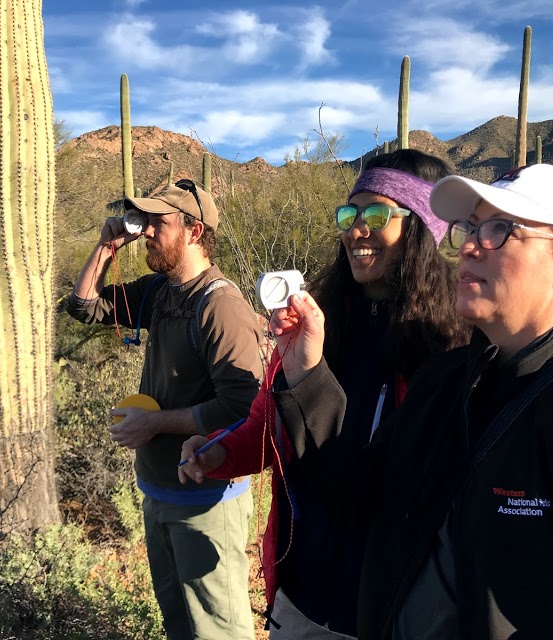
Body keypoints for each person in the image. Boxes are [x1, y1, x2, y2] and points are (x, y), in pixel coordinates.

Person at [264, 163, 553, 639]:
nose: (467, 245)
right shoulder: (444, 383)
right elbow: (358, 491)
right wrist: (306, 371)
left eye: (500, 229)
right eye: (469, 227)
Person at [178, 149, 469, 638]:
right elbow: (268, 426)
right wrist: (218, 452)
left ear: (421, 228)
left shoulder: (449, 345)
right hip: (301, 593)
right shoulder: (316, 322)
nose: (357, 230)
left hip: (391, 606)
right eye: (349, 215)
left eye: (377, 215)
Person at [66, 179, 263, 640]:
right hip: (159, 493)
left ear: (194, 231)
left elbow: (243, 408)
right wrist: (106, 247)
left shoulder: (220, 306)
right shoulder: (160, 291)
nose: (148, 232)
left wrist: (155, 423)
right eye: (146, 221)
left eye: (159, 222)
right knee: (180, 627)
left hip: (207, 504)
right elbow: (84, 306)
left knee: (217, 632)